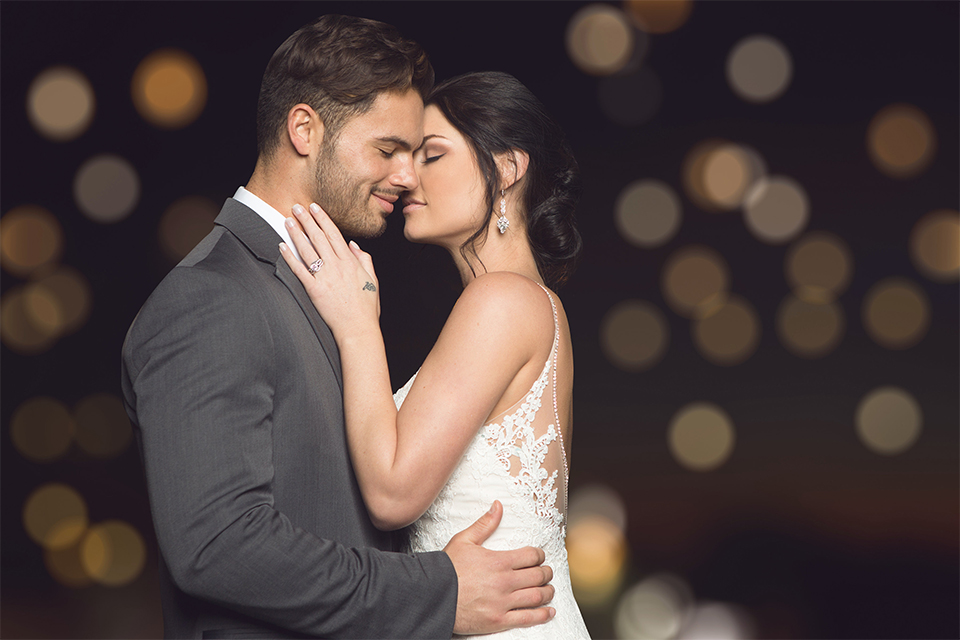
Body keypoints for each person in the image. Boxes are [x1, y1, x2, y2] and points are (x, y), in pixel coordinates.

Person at [121, 17, 556, 640]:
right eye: (388, 150)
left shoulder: (327, 285)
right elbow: (218, 546)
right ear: (304, 129)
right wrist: (439, 591)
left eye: (420, 154)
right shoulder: (211, 298)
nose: (408, 177)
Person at [280, 71, 590, 638]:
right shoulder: (527, 303)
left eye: (432, 155)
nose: (404, 176)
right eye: (401, 156)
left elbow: (393, 493)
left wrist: (356, 326)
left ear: (506, 169)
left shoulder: (501, 300)